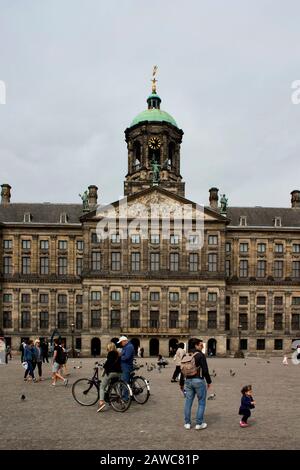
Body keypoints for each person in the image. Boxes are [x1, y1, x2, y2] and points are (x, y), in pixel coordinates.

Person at [179, 338, 212, 430]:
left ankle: (187, 423)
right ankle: (199, 423)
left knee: (188, 402)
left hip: (188, 381)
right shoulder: (200, 355)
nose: (202, 346)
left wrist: (181, 383)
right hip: (198, 380)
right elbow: (205, 370)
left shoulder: (186, 355)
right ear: (196, 345)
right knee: (201, 402)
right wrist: (209, 381)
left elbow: (182, 370)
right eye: (201, 345)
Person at [97, 342, 122, 412]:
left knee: (102, 387)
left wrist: (103, 366)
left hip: (111, 372)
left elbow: (108, 363)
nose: (107, 349)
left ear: (110, 348)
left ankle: (101, 402)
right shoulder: (118, 354)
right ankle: (119, 399)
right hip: (119, 373)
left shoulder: (111, 353)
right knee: (114, 385)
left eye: (108, 348)